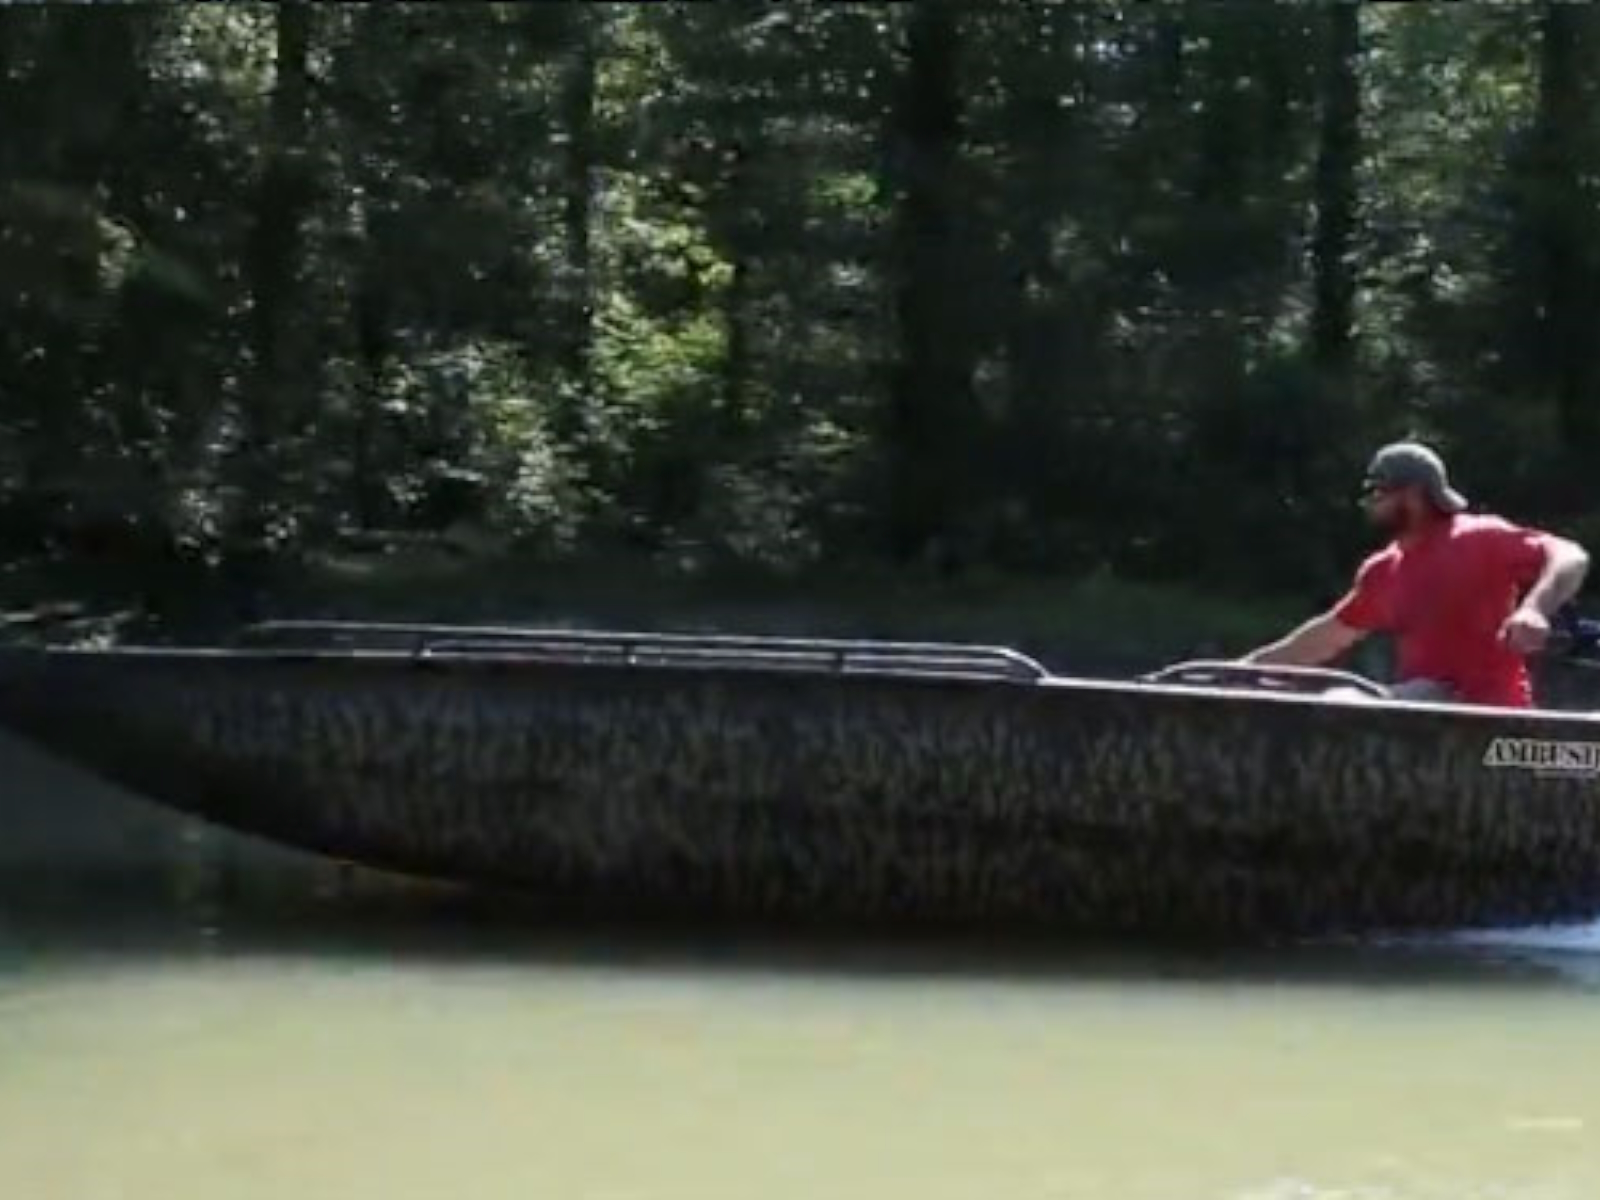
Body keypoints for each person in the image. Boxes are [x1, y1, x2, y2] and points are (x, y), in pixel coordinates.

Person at [1242, 440, 1589, 707]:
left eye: (1375, 491)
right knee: (1343, 703)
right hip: (1424, 719)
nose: (1368, 503)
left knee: (1347, 703)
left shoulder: (1478, 537)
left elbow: (1570, 555)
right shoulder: (1383, 570)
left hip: (1490, 722)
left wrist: (1535, 609)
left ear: (1412, 495)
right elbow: (1330, 634)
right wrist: (1245, 669)